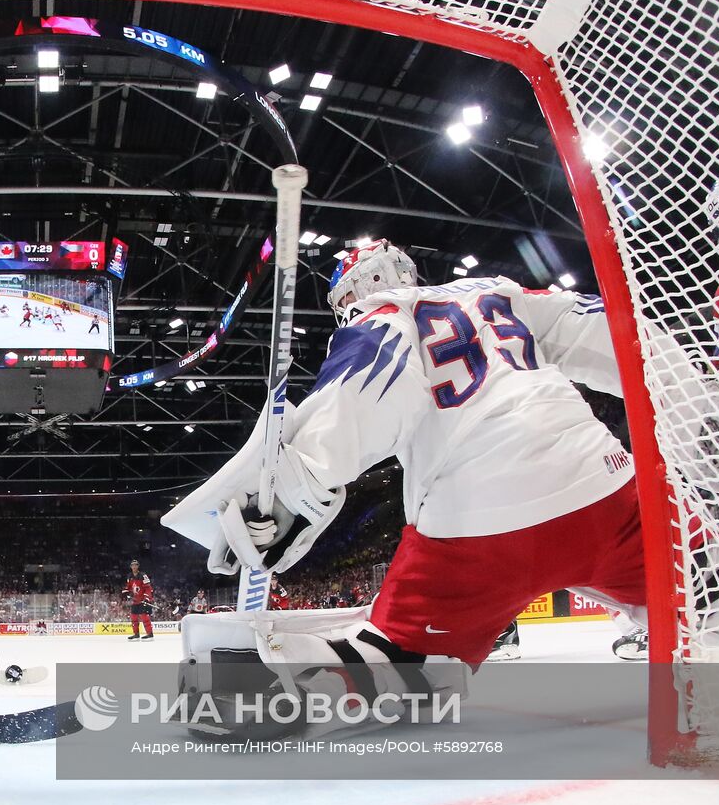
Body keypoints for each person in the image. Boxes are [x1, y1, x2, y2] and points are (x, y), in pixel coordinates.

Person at [165, 239, 646, 740]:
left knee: (407, 663)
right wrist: (698, 397)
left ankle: (255, 689)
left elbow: (373, 384)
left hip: (480, 522)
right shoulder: (495, 292)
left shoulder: (383, 314)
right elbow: (604, 328)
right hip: (605, 484)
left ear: (349, 291)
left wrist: (297, 488)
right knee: (707, 585)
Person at [121, 560, 154, 640]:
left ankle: (150, 634)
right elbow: (128, 587)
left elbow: (148, 588)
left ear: (138, 566)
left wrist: (146, 597)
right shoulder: (129, 576)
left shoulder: (143, 575)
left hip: (143, 600)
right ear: (131, 567)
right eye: (132, 565)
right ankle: (136, 634)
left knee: (144, 617)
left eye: (135, 565)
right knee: (133, 617)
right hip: (135, 600)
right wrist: (125, 592)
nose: (134, 567)